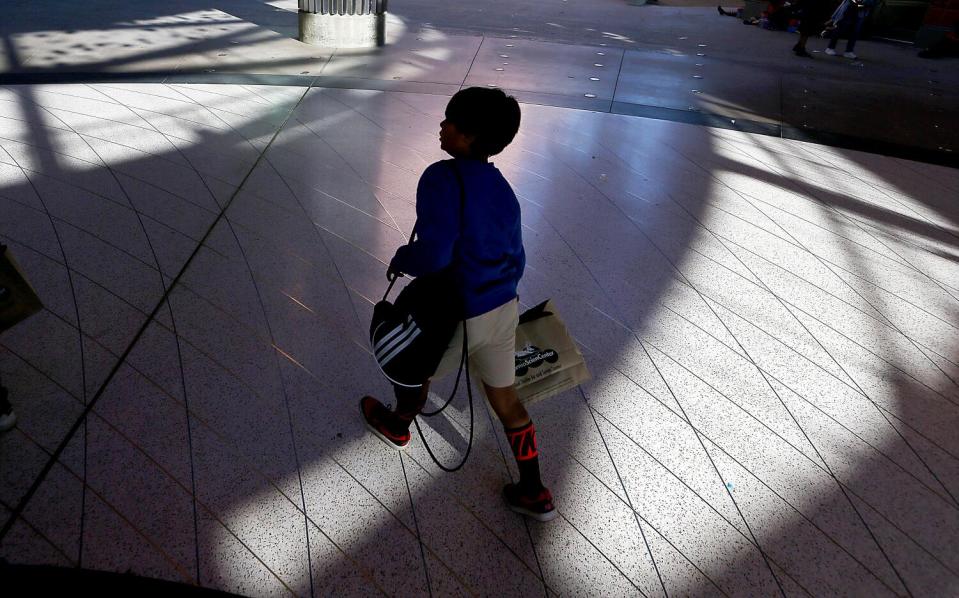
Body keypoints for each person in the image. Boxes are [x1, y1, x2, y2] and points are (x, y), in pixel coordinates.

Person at [359, 87, 556, 522]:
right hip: (502, 307)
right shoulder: (502, 185)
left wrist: (400, 258)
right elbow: (517, 254)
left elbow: (435, 255)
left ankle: (398, 423)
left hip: (458, 311)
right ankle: (534, 489)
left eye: (450, 122)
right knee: (506, 400)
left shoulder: (440, 177)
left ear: (469, 137)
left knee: (416, 369)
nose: (441, 127)